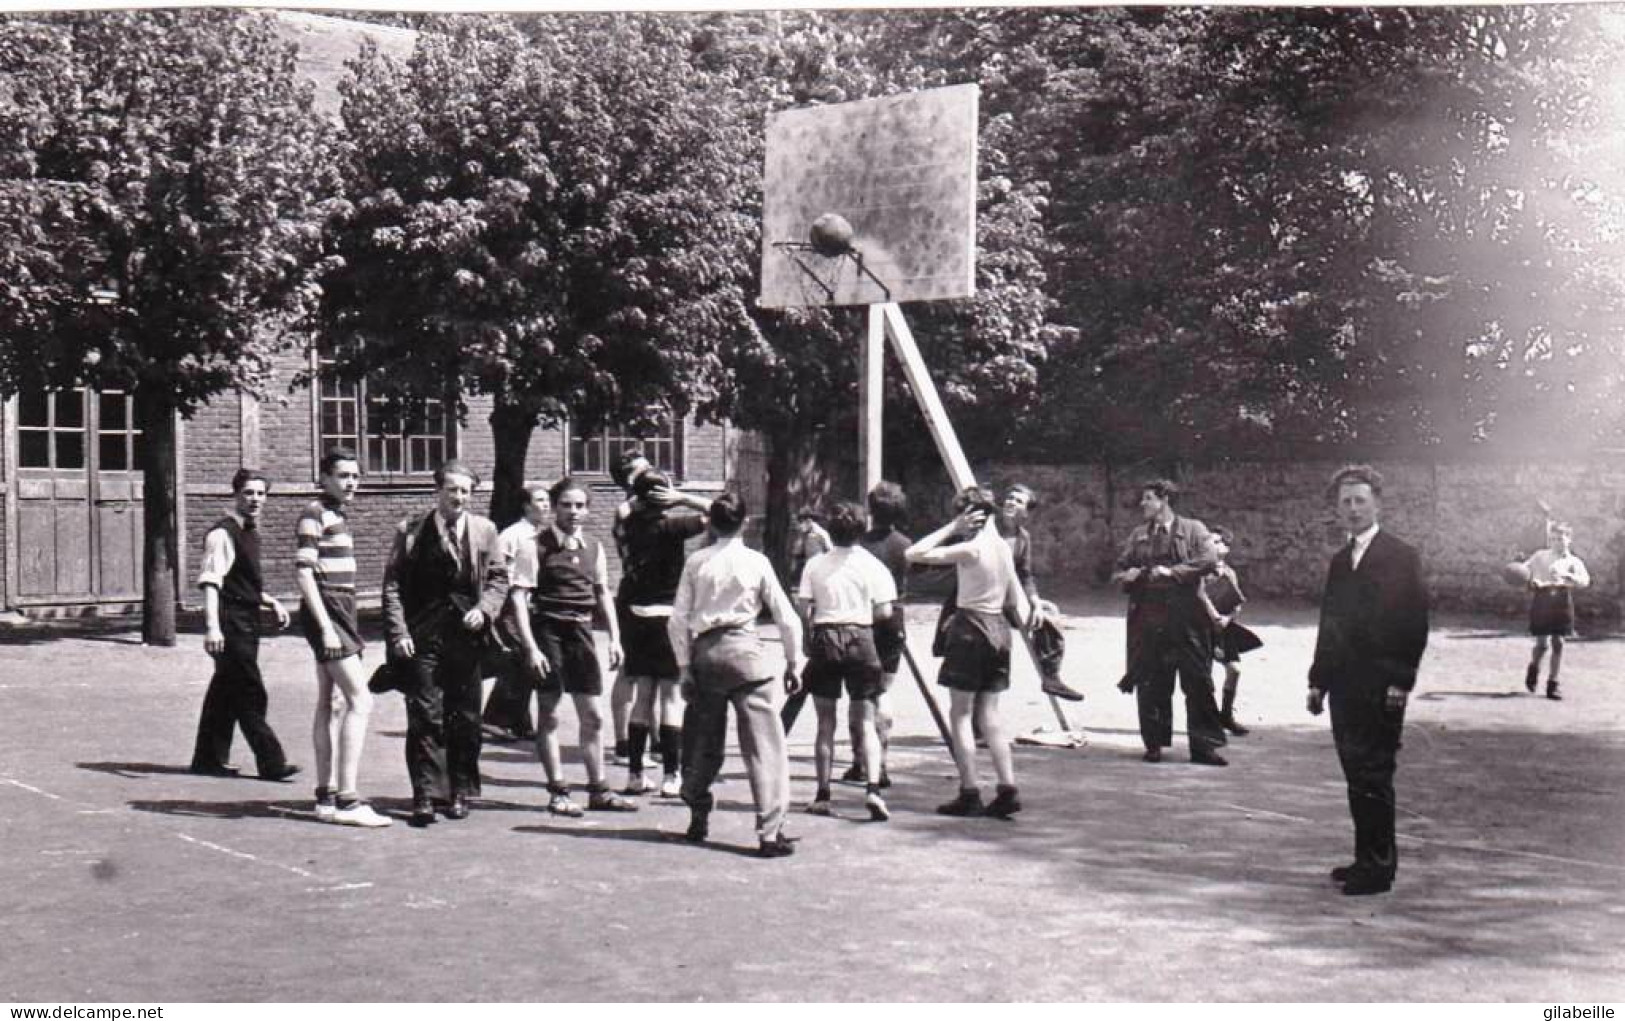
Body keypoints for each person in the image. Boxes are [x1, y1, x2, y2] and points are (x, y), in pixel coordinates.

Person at [1308, 464, 1430, 897]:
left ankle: (1378, 868)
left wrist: (1401, 680)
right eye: (1346, 502)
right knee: (1356, 773)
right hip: (1343, 686)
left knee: (1375, 775)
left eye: (1361, 500)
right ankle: (1366, 857)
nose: (1353, 509)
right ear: (1337, 509)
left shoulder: (1401, 556)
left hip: (1382, 686)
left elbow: (1414, 623)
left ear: (1377, 504)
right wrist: (1317, 680)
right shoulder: (1341, 561)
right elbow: (1330, 623)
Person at [668, 490, 803, 857]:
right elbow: (786, 616)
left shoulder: (697, 561)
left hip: (707, 654)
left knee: (701, 740)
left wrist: (683, 667)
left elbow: (678, 618)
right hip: (747, 654)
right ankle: (769, 832)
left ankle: (696, 804)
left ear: (710, 523)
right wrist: (793, 661)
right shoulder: (756, 562)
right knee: (764, 746)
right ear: (744, 523)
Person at [381, 460, 511, 828]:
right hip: (422, 636)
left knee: (465, 717)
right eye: (451, 489)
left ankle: (459, 791)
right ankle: (424, 794)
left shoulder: (485, 530)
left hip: (466, 638)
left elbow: (500, 579)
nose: (458, 497)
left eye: (465, 491)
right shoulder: (410, 530)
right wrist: (399, 633)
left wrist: (485, 610)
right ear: (437, 491)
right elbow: (392, 586)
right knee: (425, 715)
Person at [509, 477, 637, 816]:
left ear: (588, 509)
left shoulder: (593, 547)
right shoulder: (534, 545)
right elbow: (519, 597)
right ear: (553, 507)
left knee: (593, 716)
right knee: (549, 714)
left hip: (581, 633)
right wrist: (531, 648)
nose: (573, 512)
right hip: (548, 631)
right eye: (566, 504)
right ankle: (559, 791)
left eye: (580, 505)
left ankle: (598, 789)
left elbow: (602, 594)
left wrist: (615, 639)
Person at [906, 486, 1023, 819]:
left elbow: (914, 553)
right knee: (990, 714)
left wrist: (951, 529)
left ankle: (969, 790)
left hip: (971, 628)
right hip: (999, 628)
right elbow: (1014, 599)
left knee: (960, 713)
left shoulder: (970, 548)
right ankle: (1007, 787)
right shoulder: (1002, 547)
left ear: (970, 516)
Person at [295, 448, 390, 827]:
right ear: (324, 477)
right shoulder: (314, 514)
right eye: (343, 475)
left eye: (355, 476)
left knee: (331, 701)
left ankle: (326, 795)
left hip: (341, 608)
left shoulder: (337, 514)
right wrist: (325, 628)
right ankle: (349, 801)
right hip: (329, 611)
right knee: (360, 700)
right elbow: (303, 574)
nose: (351, 482)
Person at [189, 468, 299, 782]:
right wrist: (212, 627)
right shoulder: (222, 534)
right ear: (236, 494)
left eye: (261, 494)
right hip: (231, 623)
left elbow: (241, 580)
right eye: (248, 493)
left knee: (225, 690)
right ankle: (271, 761)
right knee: (250, 691)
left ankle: (207, 758)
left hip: (248, 620)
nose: (255, 500)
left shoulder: (249, 532)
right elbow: (212, 583)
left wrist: (270, 601)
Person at [930, 483, 1084, 704]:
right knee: (969, 664)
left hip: (1004, 599)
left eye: (1019, 501)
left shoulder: (1023, 539)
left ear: (1026, 512)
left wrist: (1036, 602)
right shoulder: (986, 528)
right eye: (1010, 497)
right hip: (976, 599)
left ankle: (1051, 676)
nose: (1011, 502)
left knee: (1048, 617)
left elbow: (1025, 574)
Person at [1112, 478, 1228, 766]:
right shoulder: (1139, 535)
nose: (1143, 504)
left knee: (1198, 681)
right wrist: (1128, 575)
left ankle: (1204, 747)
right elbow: (1119, 568)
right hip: (1149, 619)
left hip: (1188, 617)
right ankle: (1153, 744)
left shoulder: (1193, 529)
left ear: (1164, 500)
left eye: (1148, 498)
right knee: (1151, 682)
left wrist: (1171, 572)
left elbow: (1208, 559)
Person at [798, 500, 897, 821]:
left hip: (826, 637)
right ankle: (872, 789)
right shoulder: (873, 565)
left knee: (825, 723)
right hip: (861, 638)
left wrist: (809, 632)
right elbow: (884, 611)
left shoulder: (815, 564)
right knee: (866, 720)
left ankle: (823, 795)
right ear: (861, 530)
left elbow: (804, 606)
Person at [617, 469, 711, 797]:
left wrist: (641, 495)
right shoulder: (675, 526)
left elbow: (625, 509)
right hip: (668, 618)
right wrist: (682, 498)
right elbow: (717, 511)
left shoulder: (629, 525)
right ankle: (672, 776)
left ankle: (635, 773)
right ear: (665, 497)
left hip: (637, 617)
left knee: (643, 697)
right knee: (671, 699)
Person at [849, 481, 912, 787]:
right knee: (883, 692)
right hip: (893, 621)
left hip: (863, 619)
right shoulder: (905, 545)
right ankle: (881, 761)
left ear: (870, 509)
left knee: (859, 694)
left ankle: (860, 760)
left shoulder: (857, 544)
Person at [480, 483, 552, 743]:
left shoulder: (537, 534)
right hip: (510, 605)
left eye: (547, 501)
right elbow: (496, 571)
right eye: (540, 500)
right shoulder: (514, 535)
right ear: (525, 505)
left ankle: (520, 721)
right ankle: (494, 719)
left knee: (528, 661)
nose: (546, 506)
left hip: (528, 604)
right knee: (521, 657)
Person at [608, 446, 654, 764]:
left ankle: (650, 737)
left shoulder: (649, 505)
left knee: (653, 671)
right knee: (630, 668)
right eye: (642, 470)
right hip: (637, 592)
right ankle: (624, 741)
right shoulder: (628, 509)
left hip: (657, 594)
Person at [1197, 526, 1263, 736]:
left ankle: (1226, 715)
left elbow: (1236, 603)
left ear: (1226, 548)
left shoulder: (1229, 573)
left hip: (1223, 630)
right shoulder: (1200, 571)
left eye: (1217, 542)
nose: (1211, 545)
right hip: (1202, 630)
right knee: (1203, 677)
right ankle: (1205, 721)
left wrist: (1227, 618)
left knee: (1234, 670)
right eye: (1209, 541)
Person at [1521, 521, 1590, 701]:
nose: (1557, 542)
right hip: (1543, 599)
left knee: (1559, 642)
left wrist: (1569, 577)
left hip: (1562, 599)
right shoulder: (1541, 556)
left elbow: (1585, 581)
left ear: (1569, 539)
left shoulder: (1573, 561)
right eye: (1553, 539)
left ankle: (1553, 683)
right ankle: (1534, 667)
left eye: (1560, 539)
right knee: (1542, 644)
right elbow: (1525, 570)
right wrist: (1531, 580)